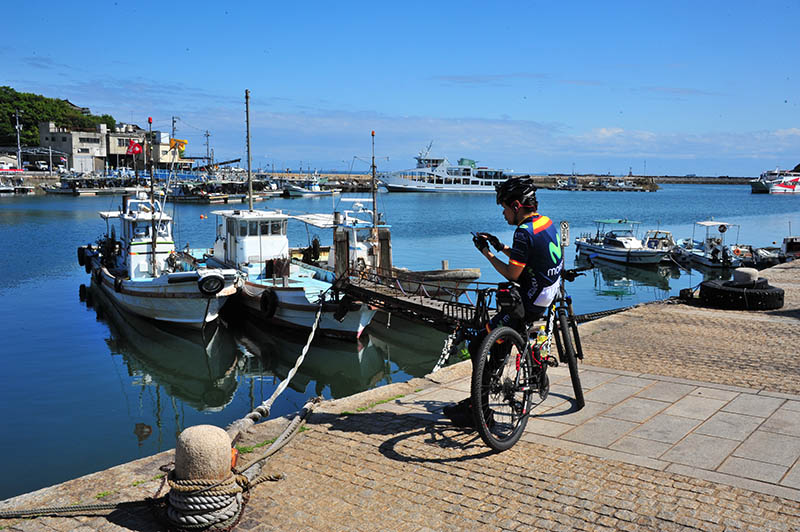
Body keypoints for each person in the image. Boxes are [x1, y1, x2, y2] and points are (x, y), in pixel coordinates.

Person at [443, 176, 564, 427]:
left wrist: (486, 253)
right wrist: (501, 247)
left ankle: (480, 410)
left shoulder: (523, 232)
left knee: (479, 343)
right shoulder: (546, 223)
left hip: (530, 303)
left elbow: (512, 273)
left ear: (517, 205)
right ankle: (492, 384)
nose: (503, 213)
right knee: (496, 340)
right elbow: (530, 255)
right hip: (548, 292)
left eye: (504, 208)